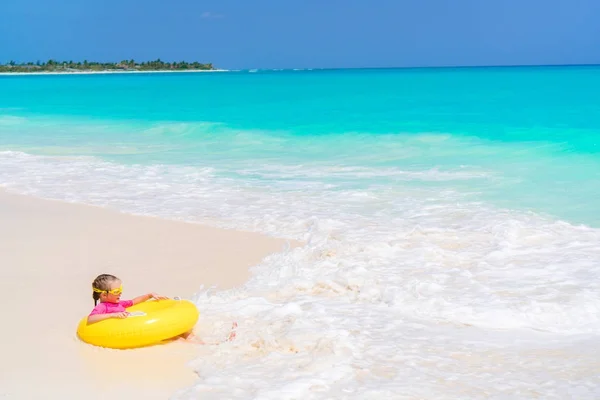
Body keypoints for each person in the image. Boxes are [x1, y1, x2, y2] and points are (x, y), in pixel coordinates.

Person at [87, 273, 236, 343]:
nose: (120, 293)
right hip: (131, 331)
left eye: (121, 289)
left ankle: (214, 344)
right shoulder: (103, 307)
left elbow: (133, 302)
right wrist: (111, 316)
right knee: (181, 335)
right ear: (104, 295)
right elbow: (91, 319)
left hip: (144, 326)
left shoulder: (117, 303)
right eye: (116, 292)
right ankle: (215, 345)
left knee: (184, 332)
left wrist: (148, 295)